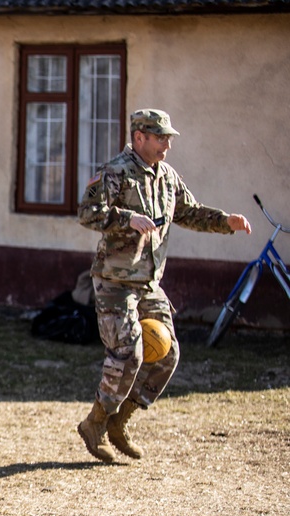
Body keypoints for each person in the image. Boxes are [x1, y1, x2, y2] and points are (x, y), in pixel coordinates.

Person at [76, 109, 252, 462]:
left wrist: (225, 222)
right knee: (129, 352)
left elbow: (189, 211)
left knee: (168, 355)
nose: (167, 145)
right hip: (115, 282)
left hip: (148, 283)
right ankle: (95, 422)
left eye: (169, 138)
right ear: (139, 137)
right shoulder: (115, 172)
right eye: (160, 138)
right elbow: (87, 213)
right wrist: (128, 218)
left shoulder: (166, 177)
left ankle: (119, 422)